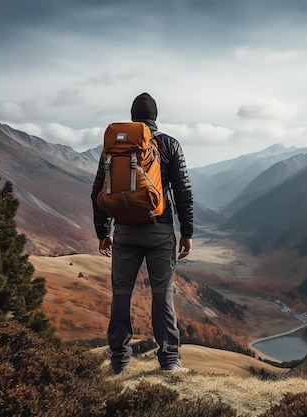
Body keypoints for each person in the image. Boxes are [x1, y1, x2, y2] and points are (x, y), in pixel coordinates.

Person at [91, 92, 194, 374]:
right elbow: (184, 192)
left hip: (124, 231)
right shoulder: (169, 144)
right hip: (159, 230)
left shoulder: (115, 148)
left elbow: (98, 190)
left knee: (121, 292)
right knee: (162, 293)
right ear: (155, 117)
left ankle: (119, 359)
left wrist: (104, 231)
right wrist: (187, 232)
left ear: (134, 117)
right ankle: (170, 359)